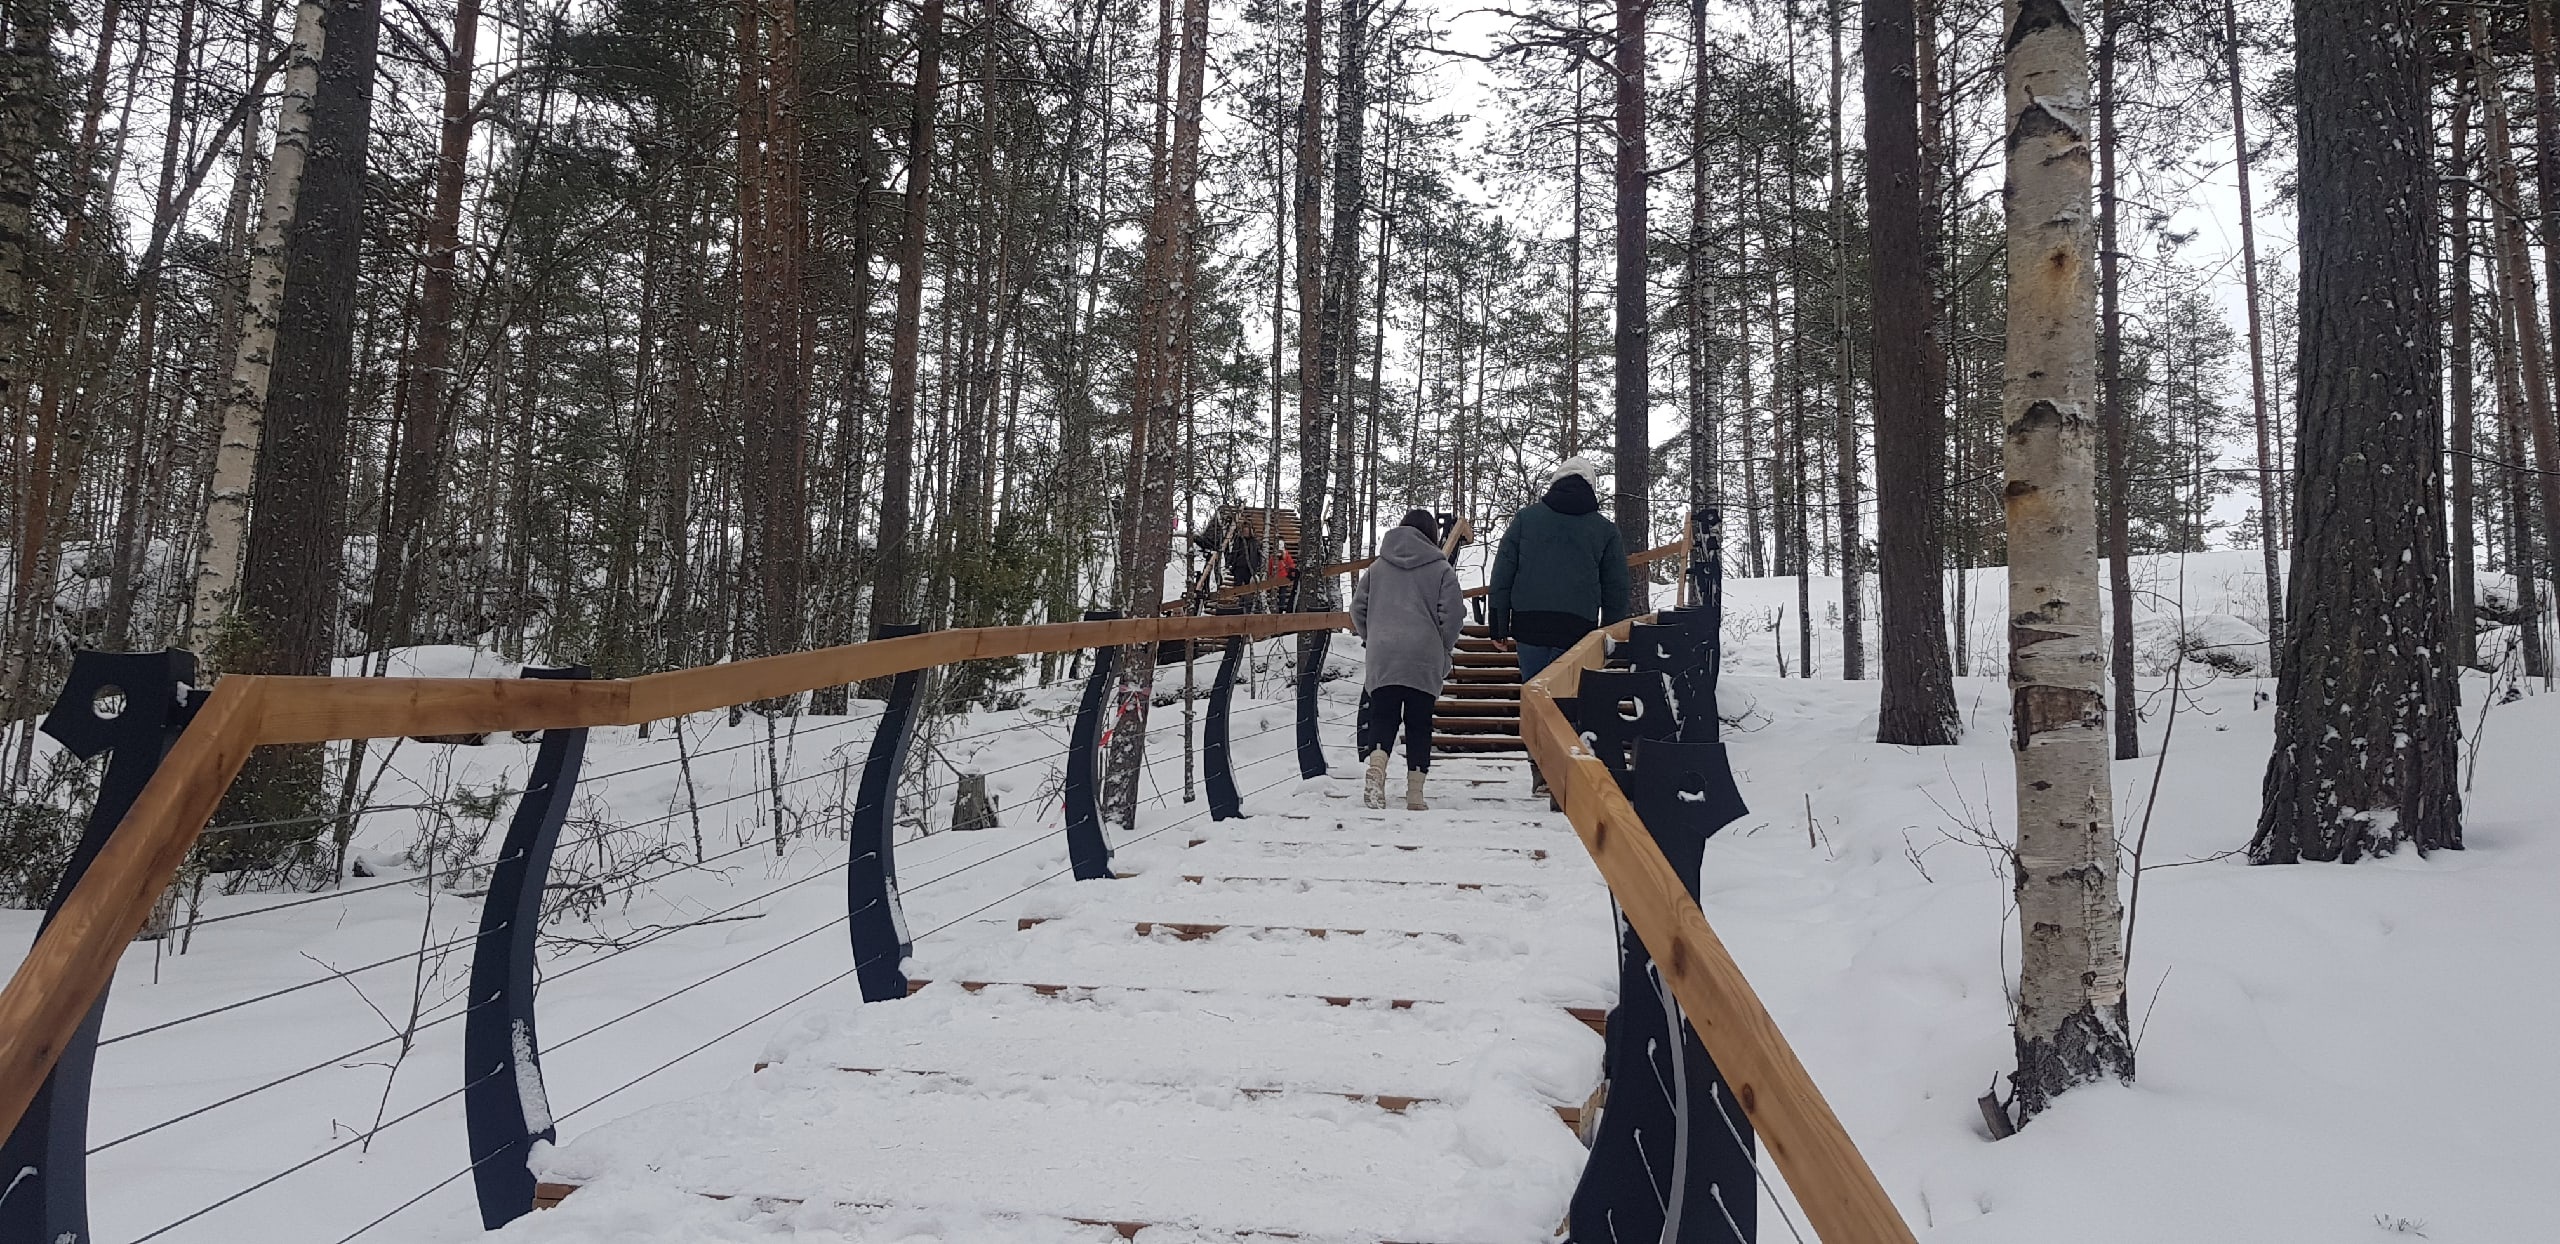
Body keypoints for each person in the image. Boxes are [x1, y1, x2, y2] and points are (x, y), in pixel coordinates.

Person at [1489, 458, 1631, 790]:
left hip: (1529, 625)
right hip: (1577, 629)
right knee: (1568, 701)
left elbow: (1503, 573)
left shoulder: (1526, 520)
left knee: (1537, 698)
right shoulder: (1604, 530)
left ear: (1555, 482)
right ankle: (1562, 774)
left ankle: (1541, 773)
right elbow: (1616, 587)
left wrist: (1498, 624)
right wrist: (1608, 635)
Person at [1351, 509, 1466, 810]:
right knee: (1419, 723)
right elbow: (1453, 614)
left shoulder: (1377, 568)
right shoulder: (1441, 569)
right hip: (1424, 655)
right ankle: (1415, 794)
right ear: (1431, 534)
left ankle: (1376, 770)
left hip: (1384, 653)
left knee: (1383, 717)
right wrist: (1444, 646)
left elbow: (1357, 610)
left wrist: (1372, 636)